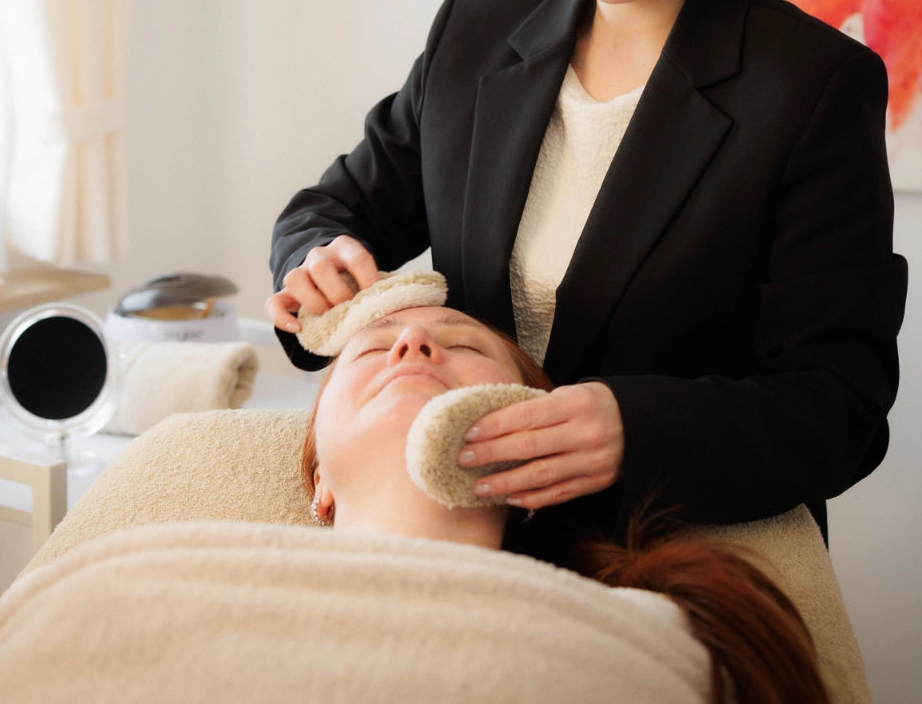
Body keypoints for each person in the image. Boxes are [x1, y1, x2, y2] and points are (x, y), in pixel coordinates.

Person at [268, 0, 908, 541]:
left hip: (662, 544)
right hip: (460, 528)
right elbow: (330, 210)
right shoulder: (476, 30)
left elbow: (838, 406)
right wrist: (316, 262)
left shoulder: (813, 89)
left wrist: (637, 431)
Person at [301, 300, 830, 704]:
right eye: (371, 349)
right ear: (319, 480)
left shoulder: (648, 636)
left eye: (466, 346)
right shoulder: (244, 565)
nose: (413, 341)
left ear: (542, 450)